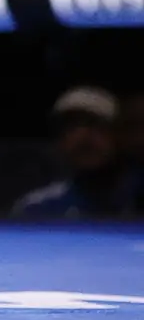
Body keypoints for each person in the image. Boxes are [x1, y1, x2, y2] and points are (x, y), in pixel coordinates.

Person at [12, 86, 131, 220]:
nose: (83, 135)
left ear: (119, 135)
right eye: (71, 126)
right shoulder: (37, 208)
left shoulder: (136, 198)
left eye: (94, 124)